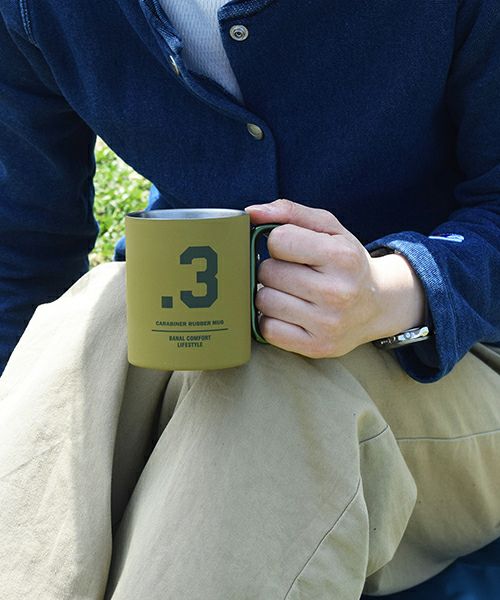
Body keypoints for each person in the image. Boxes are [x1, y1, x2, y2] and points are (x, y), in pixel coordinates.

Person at [0, 1, 499, 598]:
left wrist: (392, 292)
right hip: (190, 352)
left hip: (465, 369)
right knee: (105, 311)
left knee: (272, 384)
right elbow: (23, 249)